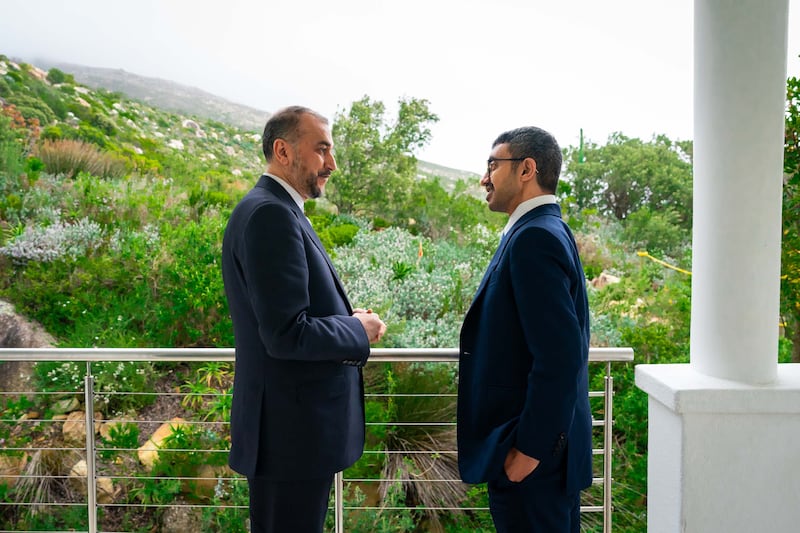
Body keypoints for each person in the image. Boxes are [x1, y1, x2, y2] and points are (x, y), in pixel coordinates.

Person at [221, 106, 387, 533]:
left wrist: (343, 317)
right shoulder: (270, 215)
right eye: (322, 150)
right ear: (282, 151)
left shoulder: (274, 208)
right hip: (290, 439)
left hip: (290, 436)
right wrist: (357, 330)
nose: (331, 164)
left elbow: (288, 314)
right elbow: (285, 333)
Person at [457, 126, 592, 532]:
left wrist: (528, 452)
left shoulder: (534, 237)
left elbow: (560, 356)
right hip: (542, 460)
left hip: (534, 465)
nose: (485, 177)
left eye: (493, 165)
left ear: (527, 169)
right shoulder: (547, 228)